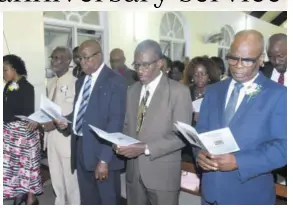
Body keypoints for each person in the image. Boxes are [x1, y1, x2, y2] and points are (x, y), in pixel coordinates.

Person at [194, 30, 286, 205]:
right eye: (233, 58)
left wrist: (239, 162)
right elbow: (201, 131)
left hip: (248, 195)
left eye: (247, 60)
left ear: (261, 59)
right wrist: (200, 154)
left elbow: (283, 147)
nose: (237, 65)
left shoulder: (278, 94)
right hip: (210, 193)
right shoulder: (214, 91)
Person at [115, 39, 193, 205]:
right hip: (134, 172)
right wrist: (119, 142)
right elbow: (127, 125)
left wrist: (145, 148)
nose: (140, 70)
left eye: (145, 65)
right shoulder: (133, 90)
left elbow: (181, 137)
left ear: (159, 63)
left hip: (162, 174)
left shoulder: (179, 92)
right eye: (136, 65)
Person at [55, 40, 127, 205]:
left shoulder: (115, 80)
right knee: (88, 200)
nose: (82, 62)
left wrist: (104, 159)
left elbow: (115, 122)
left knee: (107, 200)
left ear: (99, 56)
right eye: (80, 58)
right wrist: (66, 122)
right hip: (81, 148)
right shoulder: (81, 81)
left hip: (102, 152)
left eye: (86, 58)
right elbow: (81, 113)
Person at [3, 54, 42, 205]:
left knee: (27, 166)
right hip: (9, 133)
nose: (3, 73)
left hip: (23, 133)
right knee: (13, 166)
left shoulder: (27, 87)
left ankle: (30, 197)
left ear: (14, 69)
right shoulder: (8, 86)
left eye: (5, 70)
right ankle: (19, 193)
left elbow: (28, 113)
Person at [43, 47, 80, 205]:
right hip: (51, 138)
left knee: (70, 181)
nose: (54, 61)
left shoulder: (75, 83)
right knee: (56, 178)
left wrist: (56, 123)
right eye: (52, 57)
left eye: (58, 58)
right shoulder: (50, 83)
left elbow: (76, 114)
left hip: (66, 139)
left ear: (68, 61)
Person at [263, 33, 287, 185]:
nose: (276, 61)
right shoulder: (263, 72)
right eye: (271, 57)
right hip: (265, 142)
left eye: (281, 56)